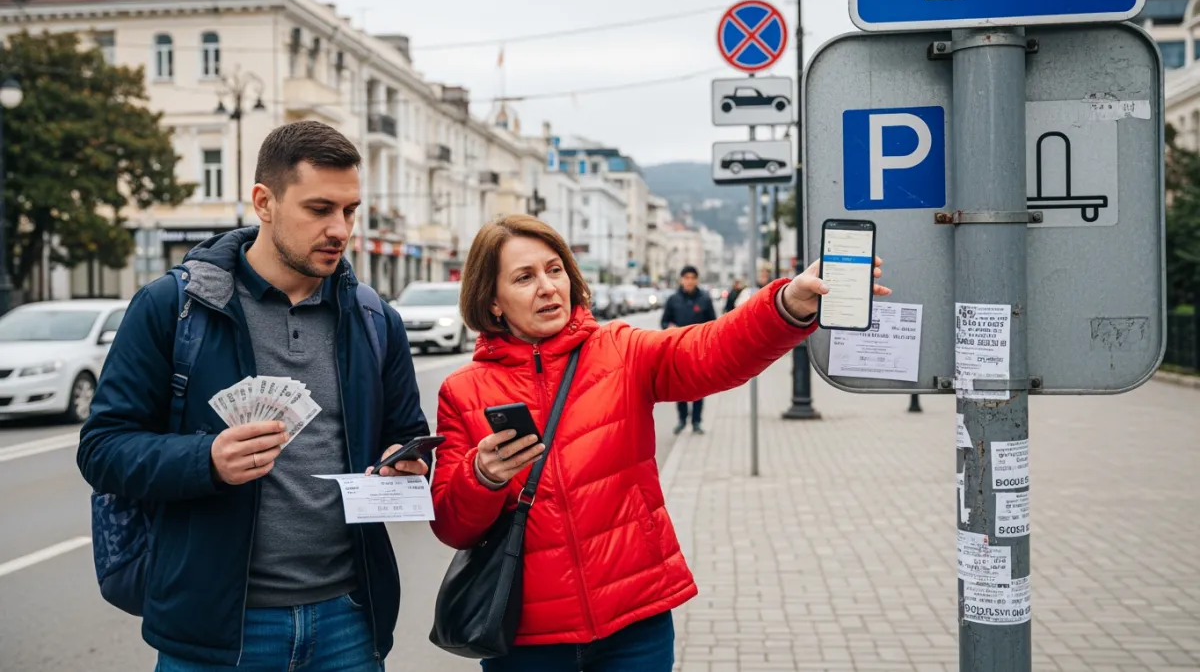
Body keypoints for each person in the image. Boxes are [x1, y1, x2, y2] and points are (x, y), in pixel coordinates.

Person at [428, 214, 890, 672]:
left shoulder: (620, 350)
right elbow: (453, 526)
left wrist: (787, 303)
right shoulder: (463, 391)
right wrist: (481, 476)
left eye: (555, 269)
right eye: (524, 277)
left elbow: (711, 350)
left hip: (634, 623)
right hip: (525, 638)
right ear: (492, 301)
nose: (548, 287)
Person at [77, 121, 430, 671]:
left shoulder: (374, 318)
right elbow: (102, 449)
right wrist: (206, 460)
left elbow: (404, 436)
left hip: (347, 619)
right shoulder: (175, 307)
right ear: (264, 202)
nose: (340, 228)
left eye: (350, 210)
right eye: (319, 209)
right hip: (220, 627)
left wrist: (406, 465)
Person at [660, 265, 718, 435]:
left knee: (699, 387)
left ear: (697, 280)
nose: (689, 281)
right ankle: (682, 420)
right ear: (681, 279)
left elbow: (713, 324)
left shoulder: (705, 299)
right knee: (680, 388)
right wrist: (668, 326)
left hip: (699, 351)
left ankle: (697, 421)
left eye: (692, 278)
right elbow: (664, 321)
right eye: (686, 278)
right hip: (678, 351)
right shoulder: (673, 300)